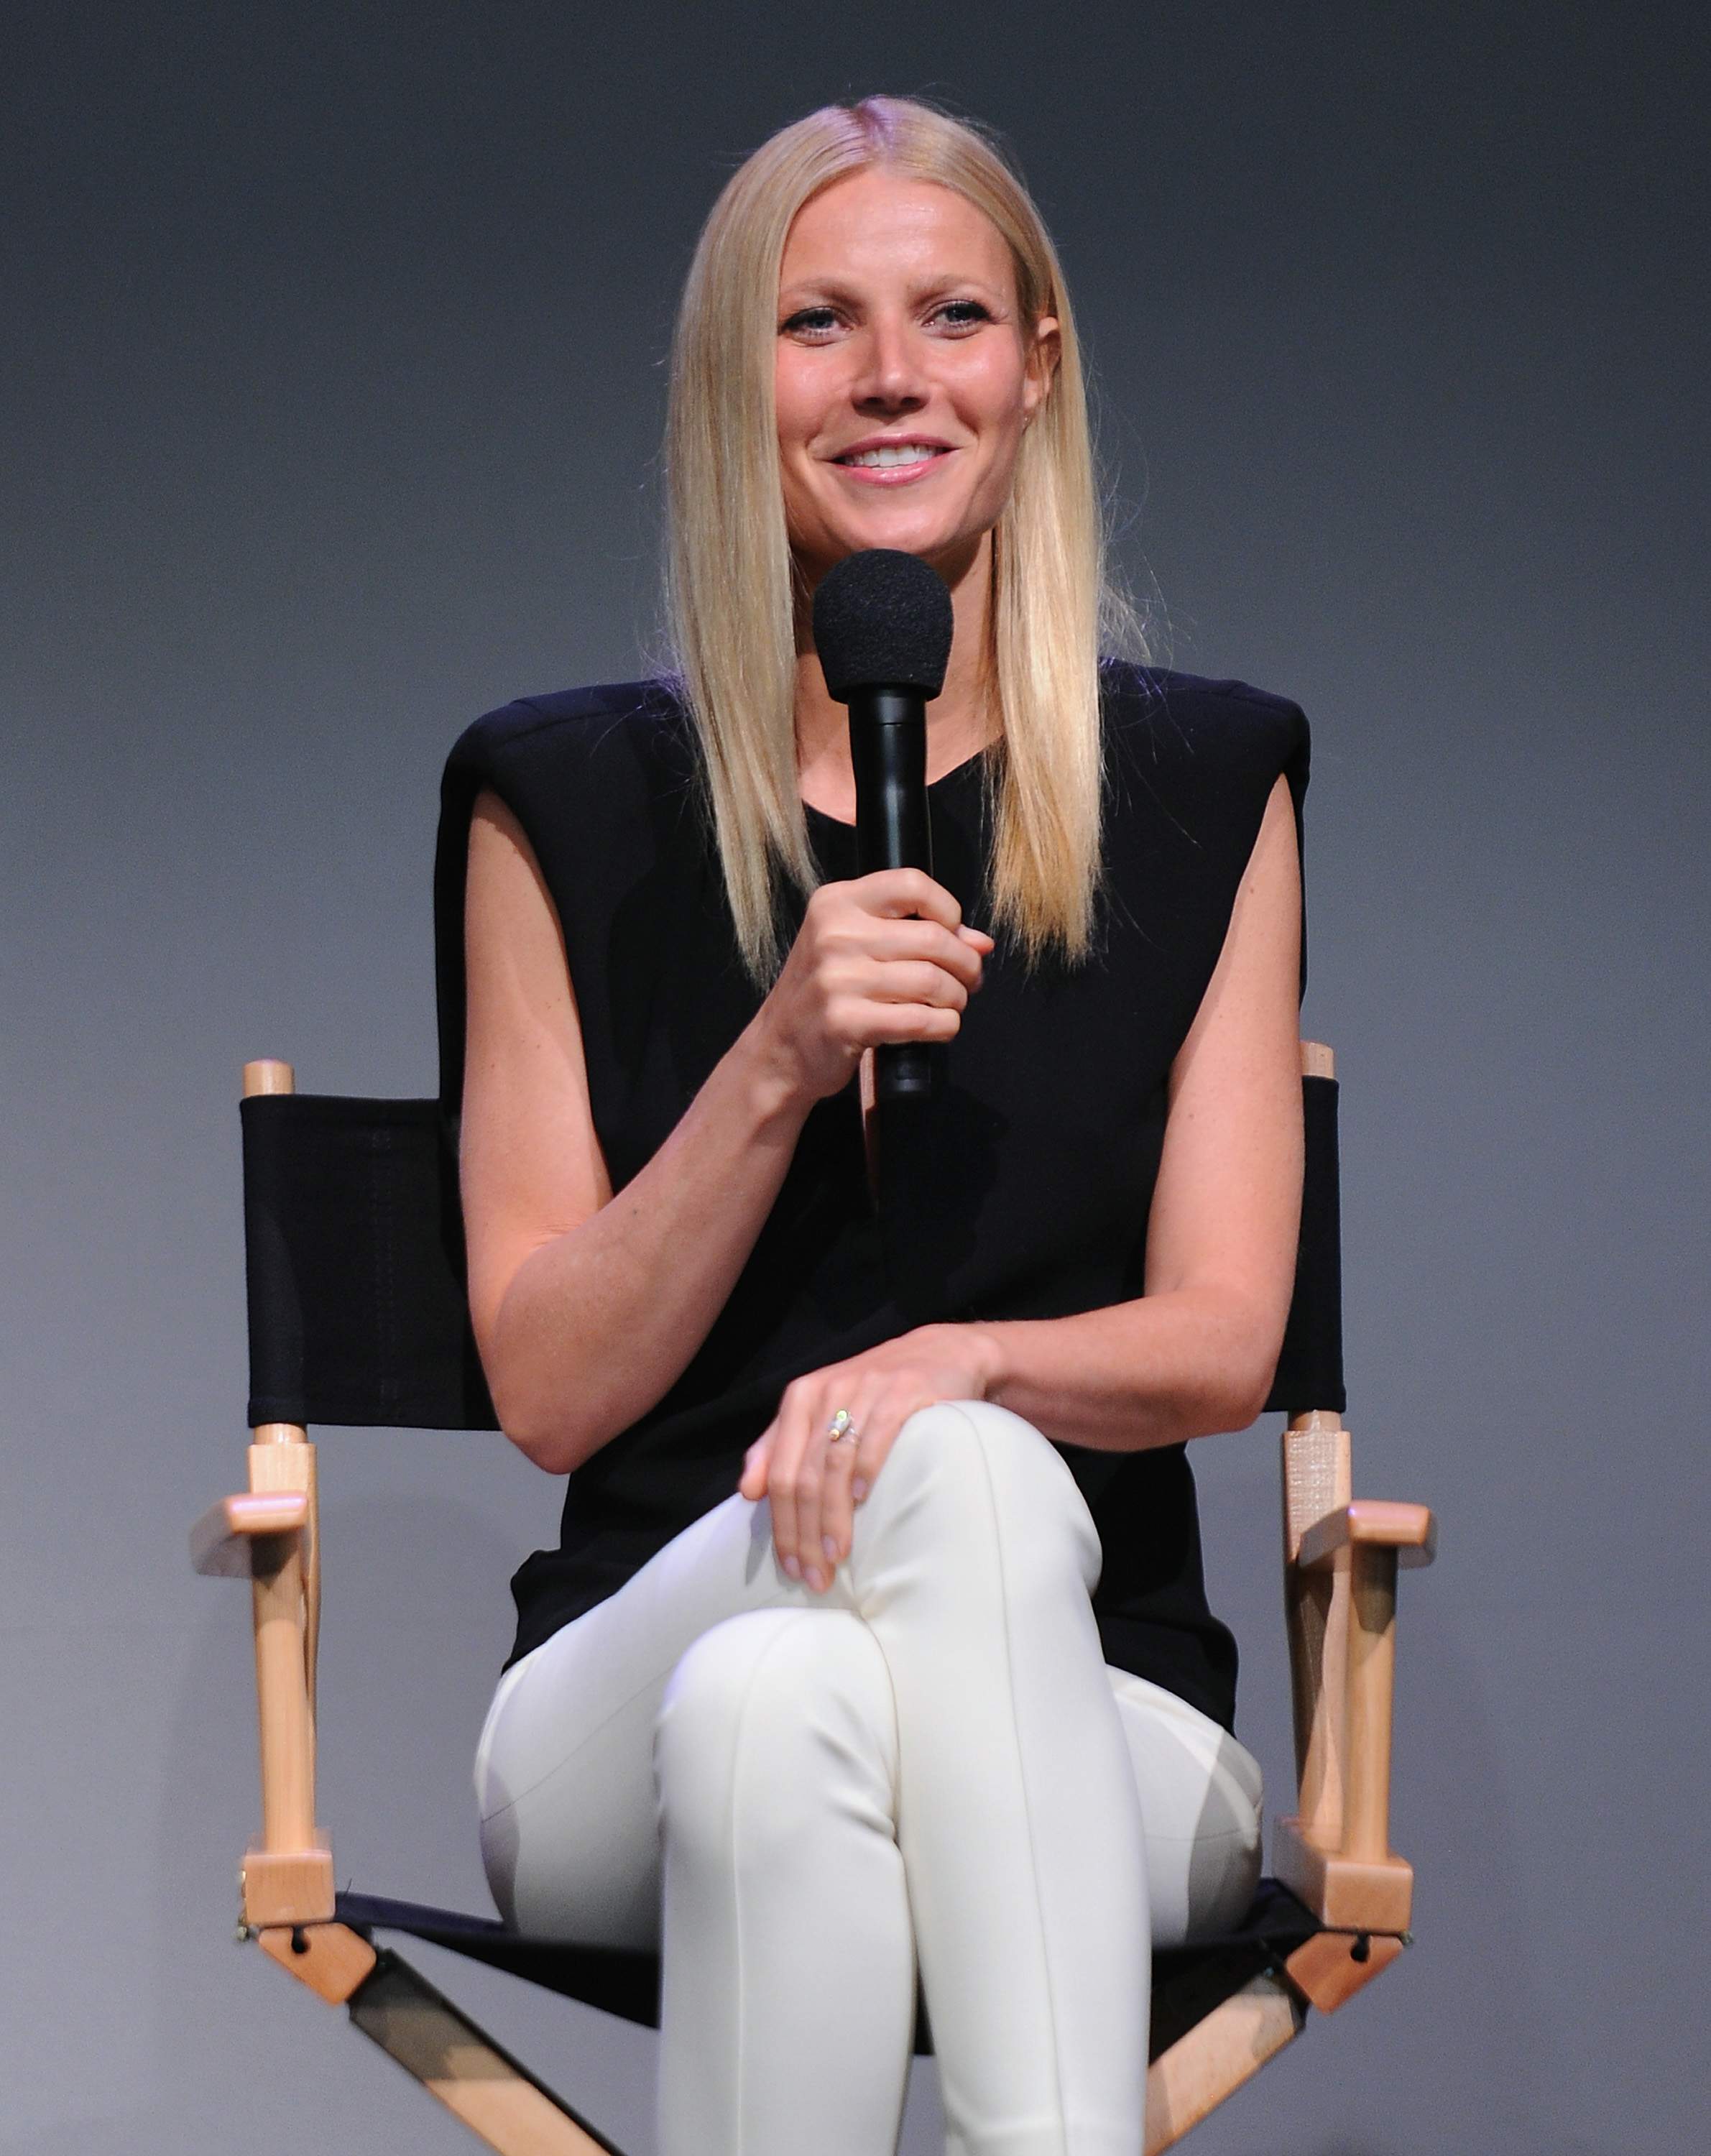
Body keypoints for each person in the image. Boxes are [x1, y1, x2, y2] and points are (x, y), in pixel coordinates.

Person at [433, 94, 1308, 2156]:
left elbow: (1224, 1344)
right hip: (633, 1682)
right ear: (736, 382)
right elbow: (552, 1392)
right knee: (859, 1575)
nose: (895, 377)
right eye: (819, 323)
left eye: (952, 317)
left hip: (1099, 1710)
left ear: (1037, 367)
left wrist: (962, 1365)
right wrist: (776, 1063)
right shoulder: (560, 803)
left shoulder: (1205, 784)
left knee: (848, 1637)